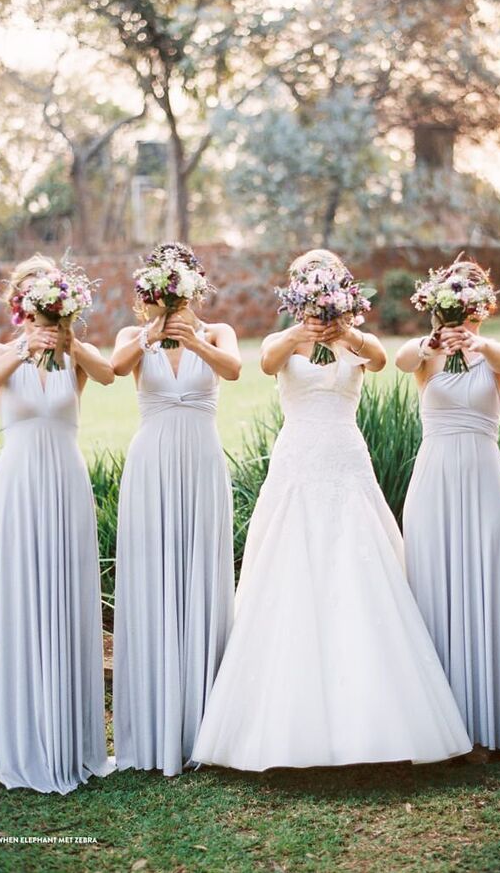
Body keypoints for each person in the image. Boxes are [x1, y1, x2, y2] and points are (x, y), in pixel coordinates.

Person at [192, 249, 472, 771]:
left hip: (345, 462)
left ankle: (373, 724)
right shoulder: (287, 339)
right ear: (297, 293)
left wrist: (345, 331)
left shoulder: (352, 338)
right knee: (288, 574)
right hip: (298, 464)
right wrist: (303, 333)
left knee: (359, 573)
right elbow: (268, 361)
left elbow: (382, 359)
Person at [0, 253, 114, 793]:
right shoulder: (0, 350)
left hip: (64, 480)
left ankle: (72, 737)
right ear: (21, 306)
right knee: (23, 599)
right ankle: (26, 738)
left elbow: (108, 375)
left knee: (64, 597)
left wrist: (70, 342)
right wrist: (22, 347)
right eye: (34, 301)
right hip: (18, 484)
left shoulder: (75, 355)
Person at [110, 243, 240, 776]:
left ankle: (205, 725)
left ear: (197, 288)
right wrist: (153, 330)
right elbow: (116, 368)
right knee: (155, 578)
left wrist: (195, 340)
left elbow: (233, 370)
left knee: (201, 577)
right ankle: (154, 728)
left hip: (203, 461)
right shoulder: (132, 336)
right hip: (153, 463)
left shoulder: (217, 332)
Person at [397, 259, 500, 753]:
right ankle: (437, 724)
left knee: (486, 581)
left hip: (484, 476)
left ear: (483, 309)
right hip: (435, 477)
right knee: (434, 582)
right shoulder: (424, 356)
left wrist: (477, 342)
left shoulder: (496, 353)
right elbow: (401, 359)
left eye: (471, 306)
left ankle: (491, 724)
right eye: (454, 306)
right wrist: (430, 343)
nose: (462, 318)